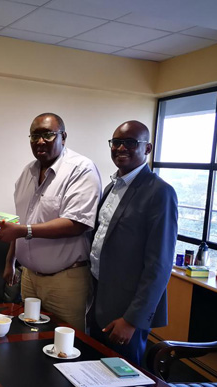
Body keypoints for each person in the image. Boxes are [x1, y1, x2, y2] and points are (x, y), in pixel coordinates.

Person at [0, 113, 101, 331]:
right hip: (29, 278)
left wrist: (24, 230)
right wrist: (10, 261)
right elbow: (21, 222)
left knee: (66, 343)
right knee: (29, 338)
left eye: (48, 135)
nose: (40, 141)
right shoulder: (27, 172)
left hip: (65, 280)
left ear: (63, 137)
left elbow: (76, 224)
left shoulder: (81, 169)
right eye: (35, 136)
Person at [89, 120, 178, 365]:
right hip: (99, 298)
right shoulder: (112, 187)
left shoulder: (159, 192)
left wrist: (132, 320)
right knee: (94, 370)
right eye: (116, 142)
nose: (121, 148)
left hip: (126, 310)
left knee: (123, 374)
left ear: (147, 148)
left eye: (130, 142)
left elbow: (159, 265)